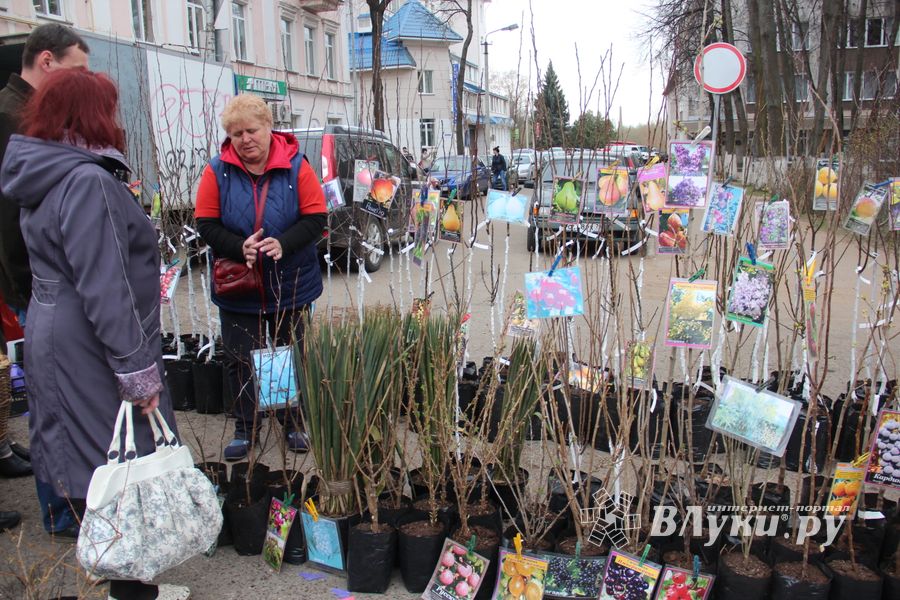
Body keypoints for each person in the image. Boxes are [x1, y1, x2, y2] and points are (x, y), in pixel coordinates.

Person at [0, 68, 190, 600]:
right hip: (90, 340)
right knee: (115, 471)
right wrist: (136, 368)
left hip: (57, 328)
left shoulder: (48, 174)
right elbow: (105, 284)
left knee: (93, 462)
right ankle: (133, 594)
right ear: (91, 115)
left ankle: (127, 588)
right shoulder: (86, 180)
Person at [195, 94, 327, 462]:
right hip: (239, 286)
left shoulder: (297, 166)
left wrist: (284, 243)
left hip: (290, 284)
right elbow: (205, 223)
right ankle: (245, 427)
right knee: (239, 358)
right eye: (236, 133)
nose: (244, 139)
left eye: (251, 130)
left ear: (269, 127)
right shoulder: (216, 170)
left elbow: (316, 218)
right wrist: (240, 247)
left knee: (291, 354)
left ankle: (292, 422)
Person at [0, 23, 89, 539]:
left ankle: (64, 506)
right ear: (49, 63)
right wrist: (28, 291)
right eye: (77, 70)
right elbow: (10, 223)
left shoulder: (26, 114)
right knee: (53, 405)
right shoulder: (15, 119)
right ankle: (61, 512)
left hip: (42, 290)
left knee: (54, 403)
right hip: (39, 289)